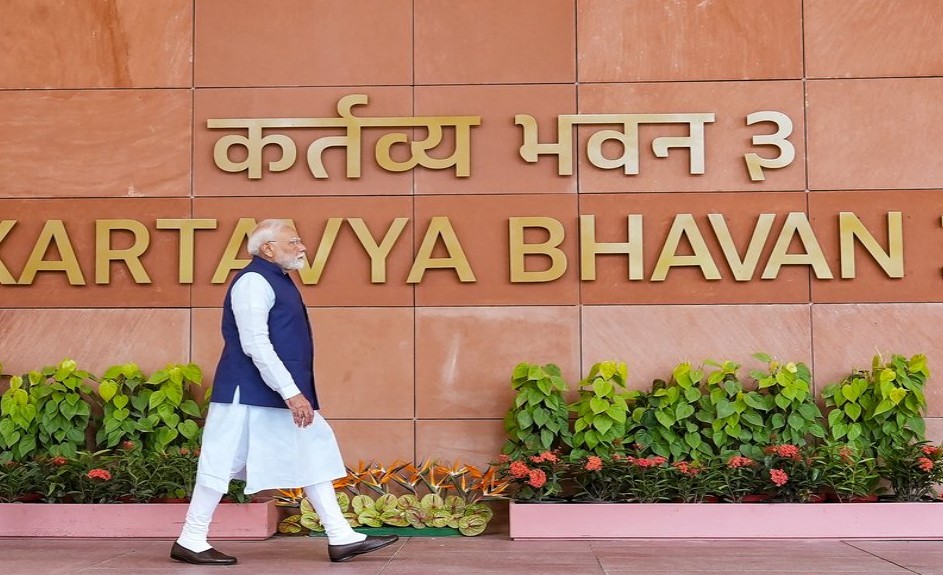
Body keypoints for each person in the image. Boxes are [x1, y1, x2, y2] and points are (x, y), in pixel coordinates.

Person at [170, 219, 398, 565]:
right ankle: (191, 538)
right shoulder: (253, 281)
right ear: (267, 248)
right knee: (221, 462)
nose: (302, 247)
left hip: (271, 393)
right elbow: (255, 344)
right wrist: (291, 392)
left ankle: (341, 536)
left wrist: (290, 392)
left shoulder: (275, 279)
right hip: (247, 394)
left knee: (313, 451)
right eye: (293, 242)